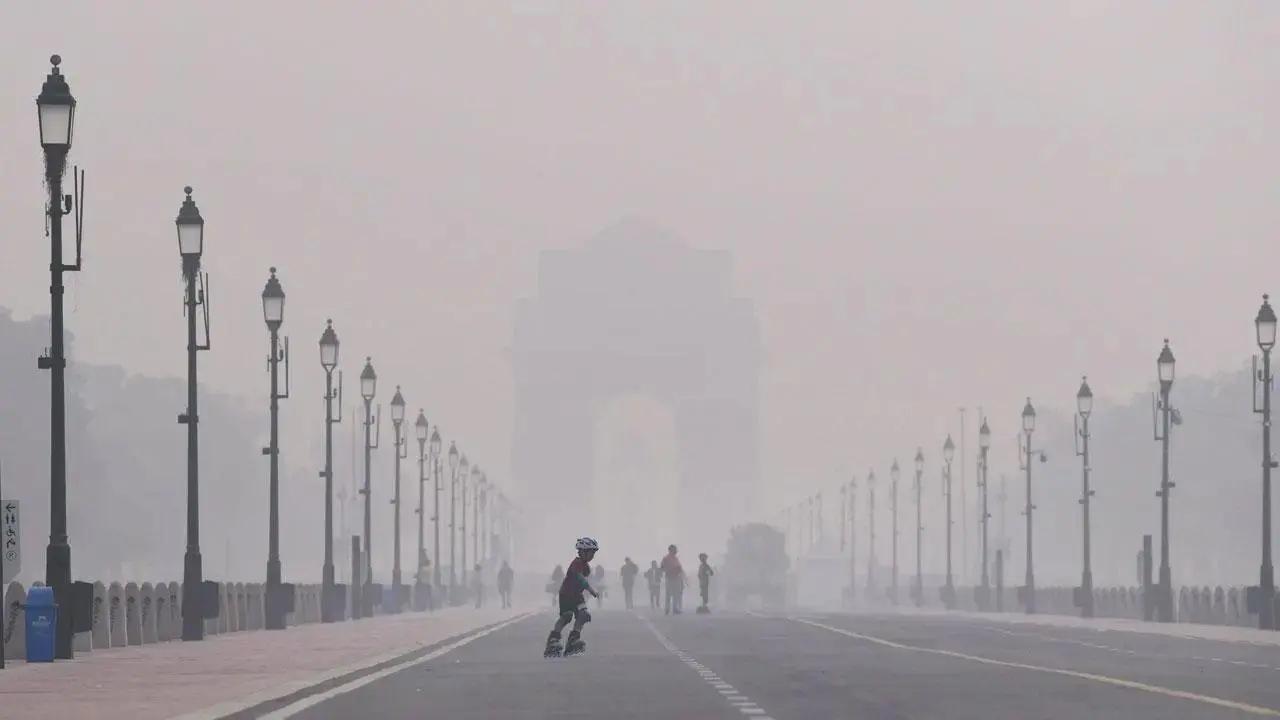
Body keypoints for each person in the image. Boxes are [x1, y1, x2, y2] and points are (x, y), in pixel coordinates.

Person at [544, 537, 600, 657]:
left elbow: (583, 579)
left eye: (594, 553)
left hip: (577, 595)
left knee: (584, 615)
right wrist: (591, 590)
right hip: (566, 594)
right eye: (591, 552)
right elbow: (579, 578)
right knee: (567, 616)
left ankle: (574, 639)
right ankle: (553, 639)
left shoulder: (586, 567)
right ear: (582, 552)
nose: (592, 555)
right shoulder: (576, 563)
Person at [661, 544, 685, 615]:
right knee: (668, 594)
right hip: (670, 578)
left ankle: (674, 608)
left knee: (676, 594)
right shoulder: (666, 558)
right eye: (674, 550)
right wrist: (670, 570)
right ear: (670, 550)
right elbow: (662, 567)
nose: (676, 551)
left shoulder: (675, 558)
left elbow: (679, 567)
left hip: (676, 577)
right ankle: (667, 609)